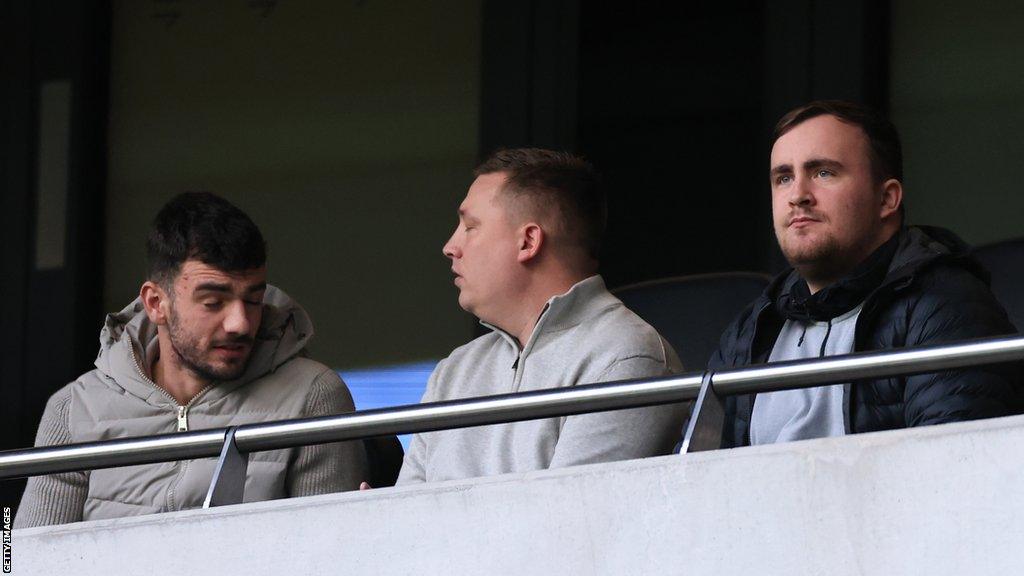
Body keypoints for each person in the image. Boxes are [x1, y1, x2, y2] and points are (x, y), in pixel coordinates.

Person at [16, 192, 367, 528]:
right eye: (213, 303)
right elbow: (19, 561)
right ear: (156, 303)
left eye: (253, 300)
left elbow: (329, 557)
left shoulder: (312, 396)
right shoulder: (74, 410)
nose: (240, 324)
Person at [710, 100, 1020, 448]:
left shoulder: (946, 308)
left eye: (823, 172)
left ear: (887, 199)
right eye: (783, 178)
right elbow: (687, 481)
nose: (797, 195)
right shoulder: (752, 328)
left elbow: (949, 480)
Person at [396, 148, 688, 485]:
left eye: (470, 226)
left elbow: (563, 522)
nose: (450, 246)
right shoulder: (454, 371)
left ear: (528, 241)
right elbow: (407, 522)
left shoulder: (625, 356)